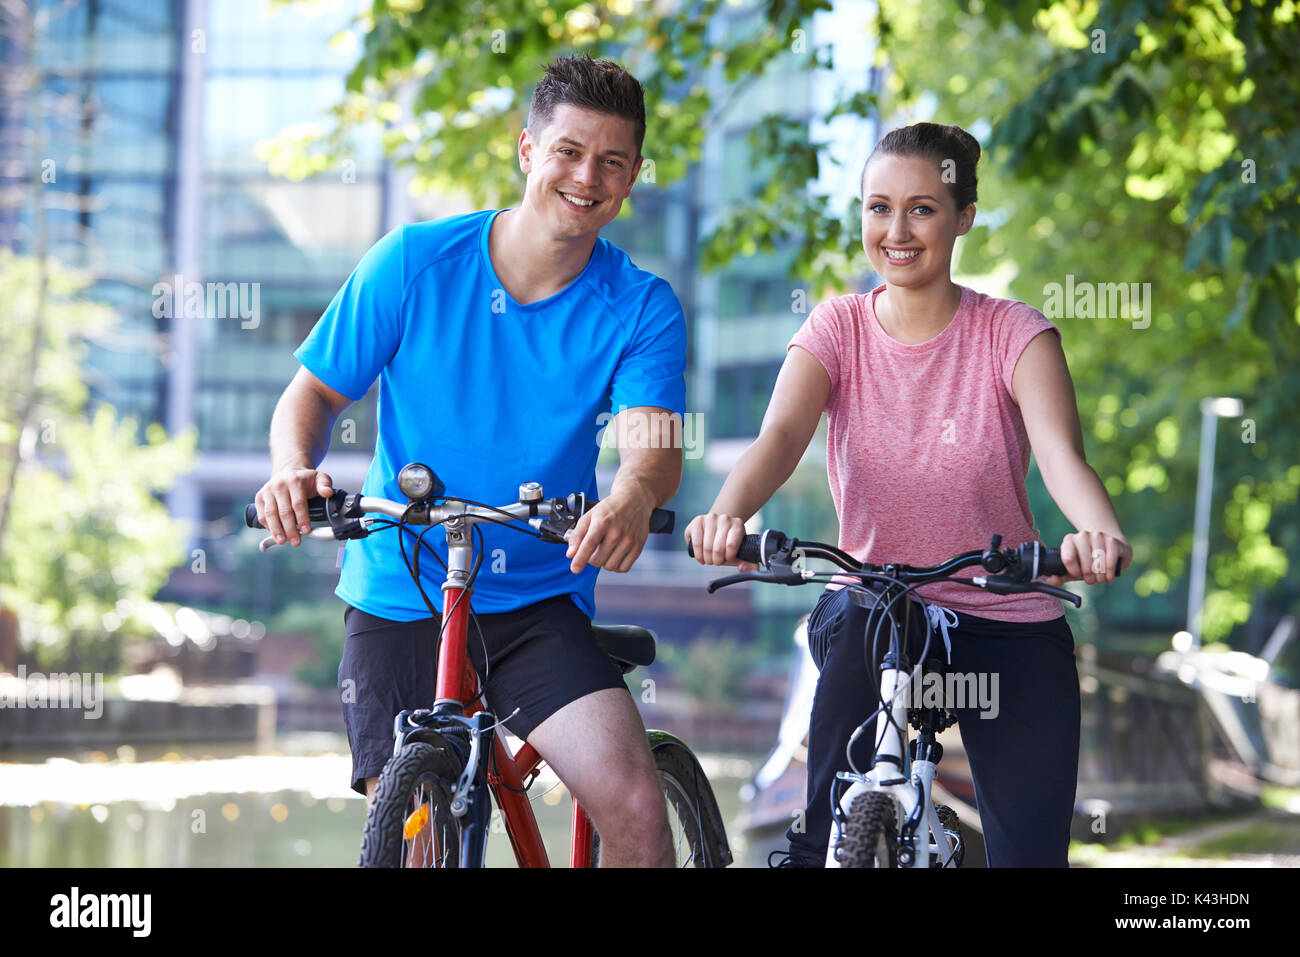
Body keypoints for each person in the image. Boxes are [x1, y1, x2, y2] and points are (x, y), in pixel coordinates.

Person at [254, 55, 686, 867]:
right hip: (400, 586)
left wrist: (631, 498)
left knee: (634, 806)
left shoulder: (640, 306)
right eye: (568, 150)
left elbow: (653, 448)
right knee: (415, 831)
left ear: (630, 179)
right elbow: (307, 398)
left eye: (612, 162)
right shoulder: (413, 263)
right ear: (527, 149)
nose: (586, 176)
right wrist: (290, 469)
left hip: (536, 597)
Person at [685, 121, 1133, 867]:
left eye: (922, 209)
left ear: (963, 219)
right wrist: (730, 512)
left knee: (1030, 856)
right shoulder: (836, 327)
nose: (896, 230)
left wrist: (1096, 532)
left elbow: (1061, 457)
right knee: (822, 826)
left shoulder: (1015, 334)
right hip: (882, 610)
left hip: (1004, 622)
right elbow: (780, 437)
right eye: (877, 207)